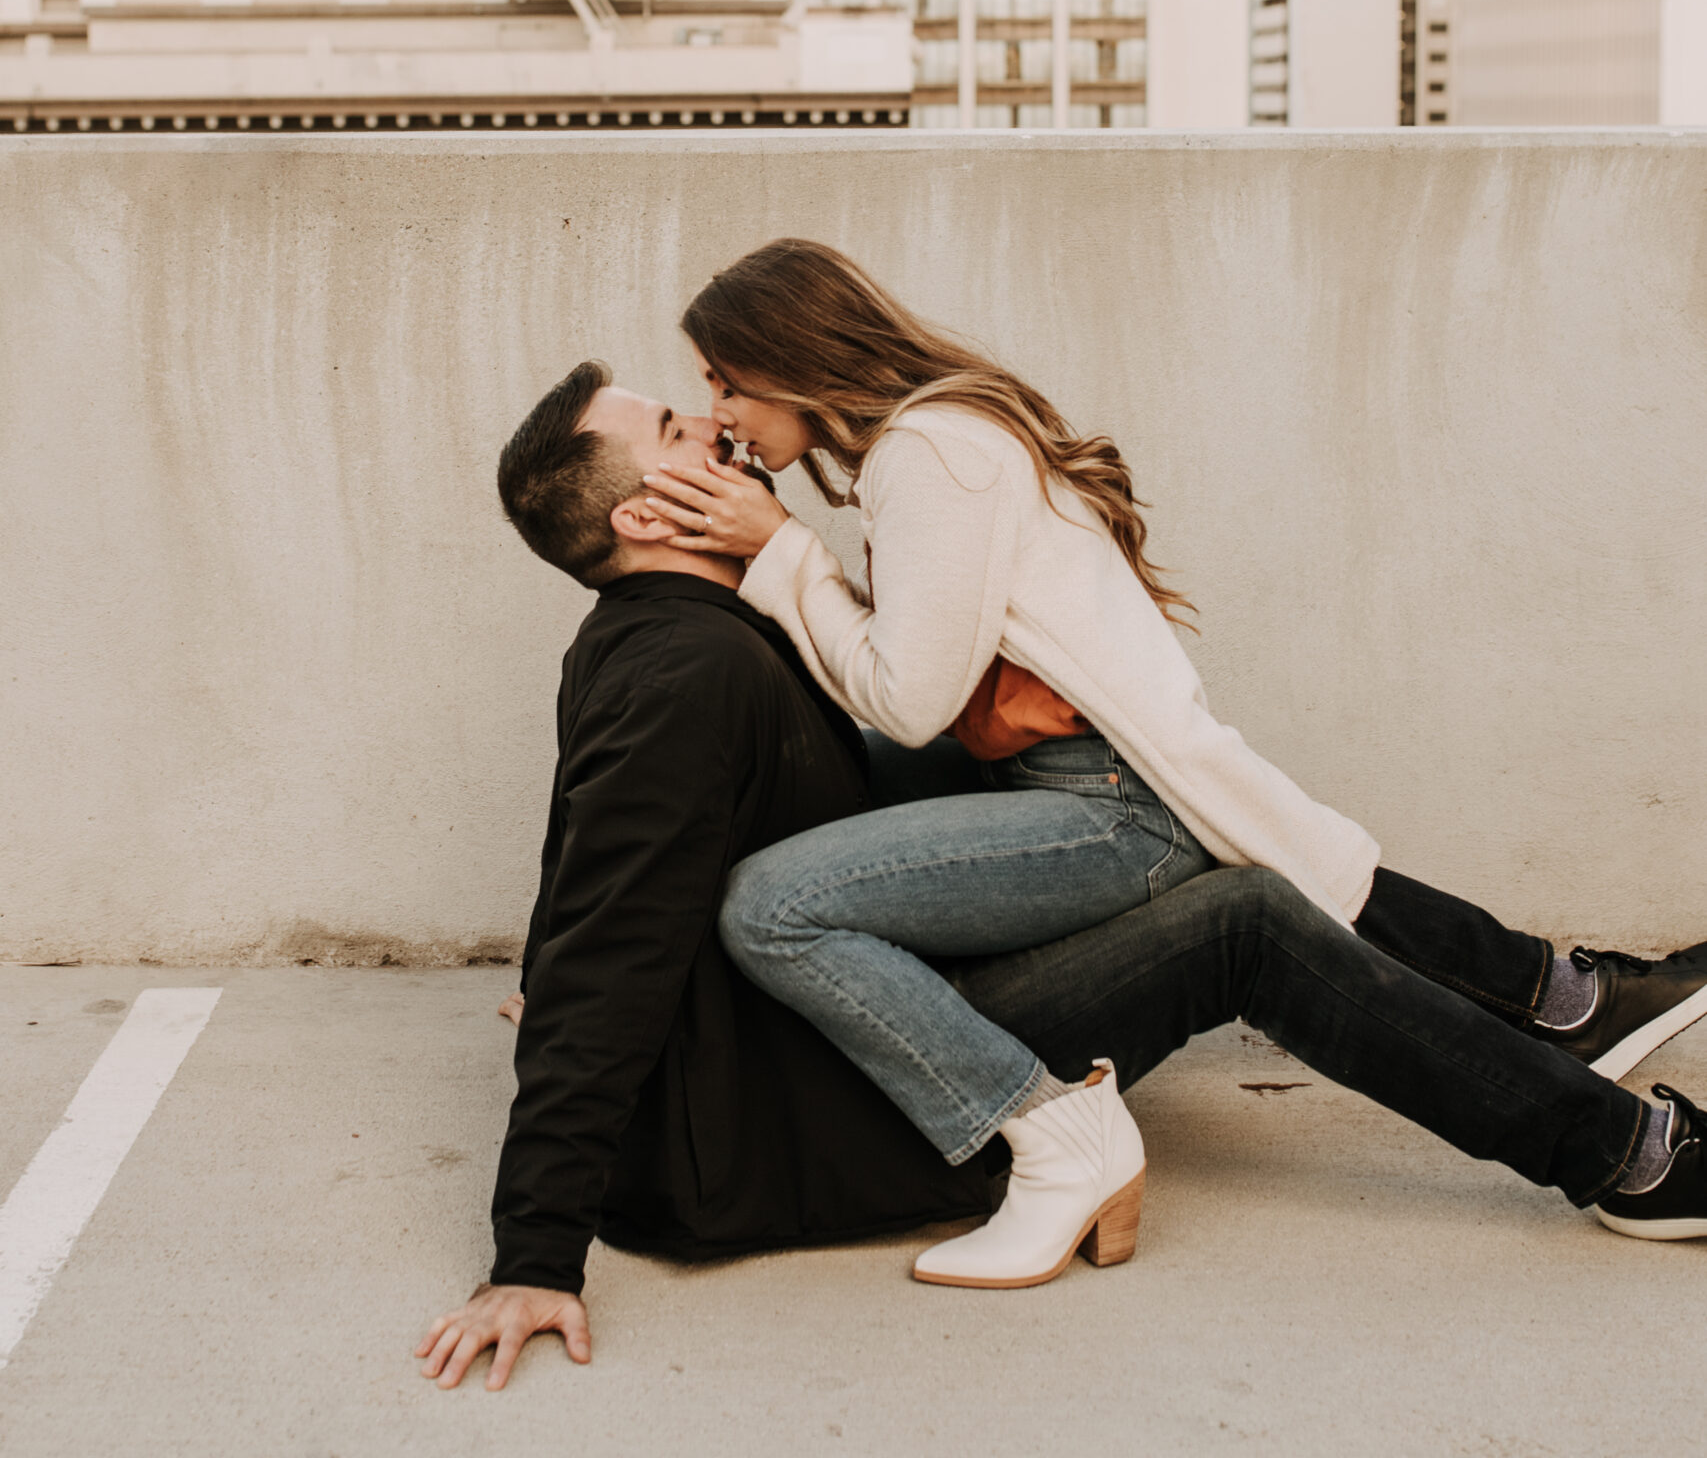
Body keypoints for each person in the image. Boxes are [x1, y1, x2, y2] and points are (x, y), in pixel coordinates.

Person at [418, 359, 1706, 1391]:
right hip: (852, 1098)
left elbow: (593, 853)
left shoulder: (681, 632)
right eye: (685, 436)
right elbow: (609, 935)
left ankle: (1564, 1001)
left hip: (869, 1019)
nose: (725, 433)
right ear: (644, 517)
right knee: (1245, 918)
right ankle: (1622, 1151)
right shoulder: (682, 670)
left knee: (1179, 814)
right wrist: (535, 1252)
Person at [632, 239, 1707, 1288]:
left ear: (789, 358)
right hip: (1069, 777)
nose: (719, 408)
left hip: (1107, 805)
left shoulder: (931, 454)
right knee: (822, 775)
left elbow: (907, 702)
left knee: (777, 899)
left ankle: (1056, 1129)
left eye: (724, 379)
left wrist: (782, 549)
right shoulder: (929, 445)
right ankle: (1575, 1015)